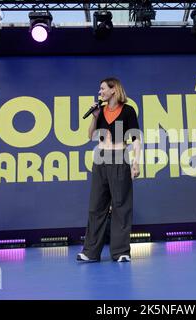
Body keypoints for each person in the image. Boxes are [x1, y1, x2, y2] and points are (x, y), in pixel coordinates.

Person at [77, 78, 140, 263]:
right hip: (100, 159)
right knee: (96, 206)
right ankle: (90, 252)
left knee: (121, 206)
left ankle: (121, 251)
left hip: (120, 157)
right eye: (100, 89)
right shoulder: (101, 111)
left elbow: (135, 138)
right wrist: (95, 117)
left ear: (114, 90)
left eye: (103, 88)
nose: (100, 92)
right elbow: (90, 135)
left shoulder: (128, 111)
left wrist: (136, 162)